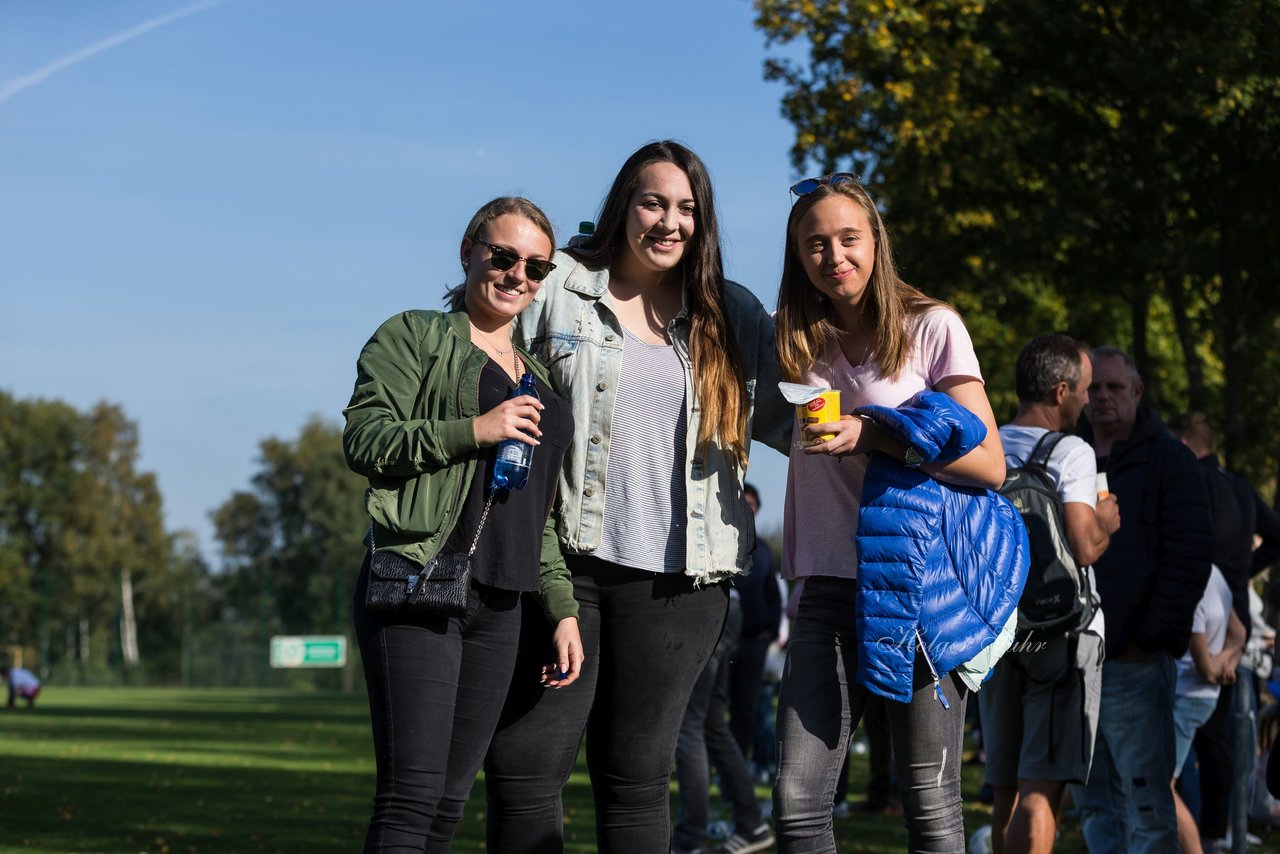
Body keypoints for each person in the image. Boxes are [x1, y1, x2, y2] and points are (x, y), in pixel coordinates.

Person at [483, 141, 790, 854]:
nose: (668, 222)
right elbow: (482, 354)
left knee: (637, 779)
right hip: (562, 567)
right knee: (527, 770)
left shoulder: (730, 313)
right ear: (625, 203)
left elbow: (794, 417)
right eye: (653, 202)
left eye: (686, 208)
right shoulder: (558, 283)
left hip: (680, 586)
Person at [769, 172, 1016, 852]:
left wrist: (877, 436)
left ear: (876, 241)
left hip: (916, 588)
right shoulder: (795, 340)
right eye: (814, 244)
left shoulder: (930, 326)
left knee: (931, 808)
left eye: (848, 238)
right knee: (796, 802)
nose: (833, 255)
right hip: (823, 586)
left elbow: (991, 462)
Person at [342, 197, 582, 852]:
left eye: (535, 267)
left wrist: (561, 609)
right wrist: (473, 430)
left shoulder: (540, 386)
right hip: (420, 579)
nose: (516, 276)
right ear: (469, 251)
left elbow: (541, 517)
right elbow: (366, 440)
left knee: (448, 805)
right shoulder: (414, 336)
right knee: (410, 798)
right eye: (502, 256)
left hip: (501, 605)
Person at [978, 335, 1120, 854]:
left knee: (1006, 791)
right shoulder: (1071, 450)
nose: (1087, 401)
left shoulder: (985, 443)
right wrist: (1104, 521)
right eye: (1082, 390)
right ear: (1061, 391)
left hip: (998, 632)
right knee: (1042, 791)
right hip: (1062, 636)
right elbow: (1083, 546)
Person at [1068, 346, 1213, 853]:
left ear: (1137, 391)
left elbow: (1190, 557)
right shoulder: (1070, 453)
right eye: (1094, 389)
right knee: (1094, 804)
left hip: (1135, 663)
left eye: (1113, 386)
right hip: (1077, 660)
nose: (1103, 397)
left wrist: (1148, 639)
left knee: (1149, 805)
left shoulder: (1169, 458)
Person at [1169, 411, 1280, 851]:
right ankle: (1217, 835)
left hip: (1194, 621)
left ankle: (1191, 834)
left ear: (1181, 444)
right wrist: (1240, 575)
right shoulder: (1240, 489)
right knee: (1219, 743)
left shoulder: (1186, 485)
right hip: (1233, 620)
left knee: (1182, 747)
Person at [1172, 565, 1245, 853]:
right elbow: (1238, 634)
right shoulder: (1215, 574)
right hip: (1203, 695)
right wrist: (1227, 660)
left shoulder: (1190, 586)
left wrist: (1217, 666)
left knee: (1163, 787)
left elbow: (1205, 667)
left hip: (1186, 695)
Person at [728, 483, 783, 770]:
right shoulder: (720, 542)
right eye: (742, 503)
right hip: (724, 642)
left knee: (746, 709)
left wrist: (771, 631)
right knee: (717, 708)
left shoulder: (762, 549)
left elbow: (773, 594)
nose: (747, 509)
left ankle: (740, 766)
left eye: (752, 504)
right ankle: (721, 770)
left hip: (755, 641)